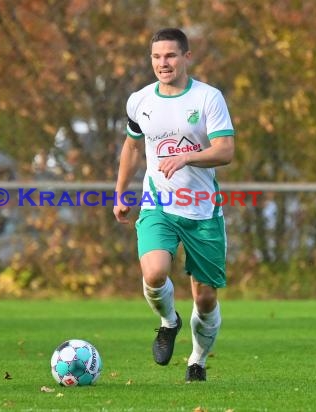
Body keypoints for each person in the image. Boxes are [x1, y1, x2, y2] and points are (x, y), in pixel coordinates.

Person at [113, 28, 235, 382]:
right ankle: (168, 321)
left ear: (186, 57)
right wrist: (120, 193)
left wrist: (187, 158)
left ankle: (196, 359)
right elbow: (133, 147)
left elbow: (225, 151)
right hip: (159, 205)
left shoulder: (208, 98)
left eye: (170, 56)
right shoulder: (140, 101)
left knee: (206, 299)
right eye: (156, 56)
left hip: (202, 210)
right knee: (153, 273)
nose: (162, 63)